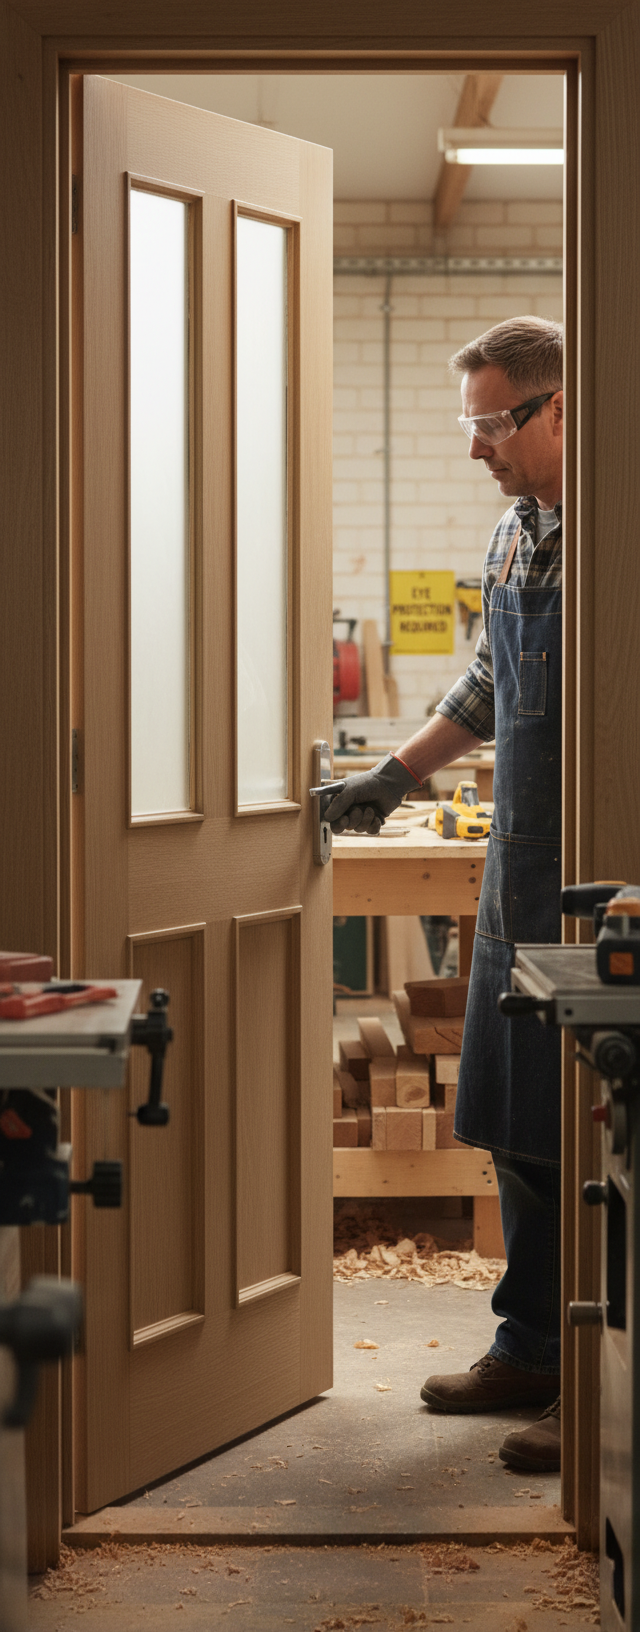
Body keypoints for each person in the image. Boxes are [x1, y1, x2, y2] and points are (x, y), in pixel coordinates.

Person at [325, 317, 564, 1474]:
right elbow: (481, 686)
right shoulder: (516, 536)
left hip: (598, 879)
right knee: (518, 1122)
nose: (476, 445)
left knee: (602, 1134)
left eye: (489, 423)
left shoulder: (613, 535)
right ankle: (531, 1347)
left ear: (555, 409)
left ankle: (604, 1366)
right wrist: (387, 777)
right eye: (468, 423)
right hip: (520, 868)